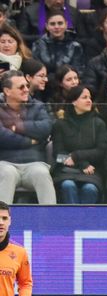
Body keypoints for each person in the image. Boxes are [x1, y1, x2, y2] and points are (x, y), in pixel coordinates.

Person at [0, 70, 55, 204]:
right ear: (7, 91)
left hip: (34, 162)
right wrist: (30, 140)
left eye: (26, 86)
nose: (26, 90)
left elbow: (46, 128)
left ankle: (50, 222)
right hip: (5, 162)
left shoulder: (38, 106)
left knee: (42, 174)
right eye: (21, 87)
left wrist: (17, 126)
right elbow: (2, 136)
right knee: (6, 174)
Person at [51, 84, 107, 203]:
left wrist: (77, 156)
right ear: (74, 102)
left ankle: (87, 221)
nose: (89, 100)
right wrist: (82, 163)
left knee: (90, 188)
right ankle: (71, 221)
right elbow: (58, 155)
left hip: (92, 170)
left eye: (90, 97)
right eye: (84, 97)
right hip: (66, 170)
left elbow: (101, 152)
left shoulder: (98, 123)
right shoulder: (60, 124)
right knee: (68, 186)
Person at [30, 9, 84, 75]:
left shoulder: (75, 46)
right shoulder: (38, 45)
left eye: (60, 23)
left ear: (66, 25)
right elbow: (36, 72)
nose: (56, 27)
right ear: (47, 26)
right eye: (52, 24)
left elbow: (78, 72)